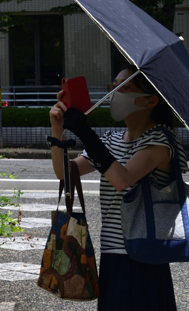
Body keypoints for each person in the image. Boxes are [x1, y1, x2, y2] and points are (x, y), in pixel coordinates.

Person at [50, 67, 187, 311]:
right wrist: (57, 131)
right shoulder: (111, 139)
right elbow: (65, 173)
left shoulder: (160, 139)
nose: (113, 91)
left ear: (150, 101)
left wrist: (85, 131)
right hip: (113, 253)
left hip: (144, 254)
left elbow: (122, 179)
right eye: (112, 84)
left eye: (124, 86)